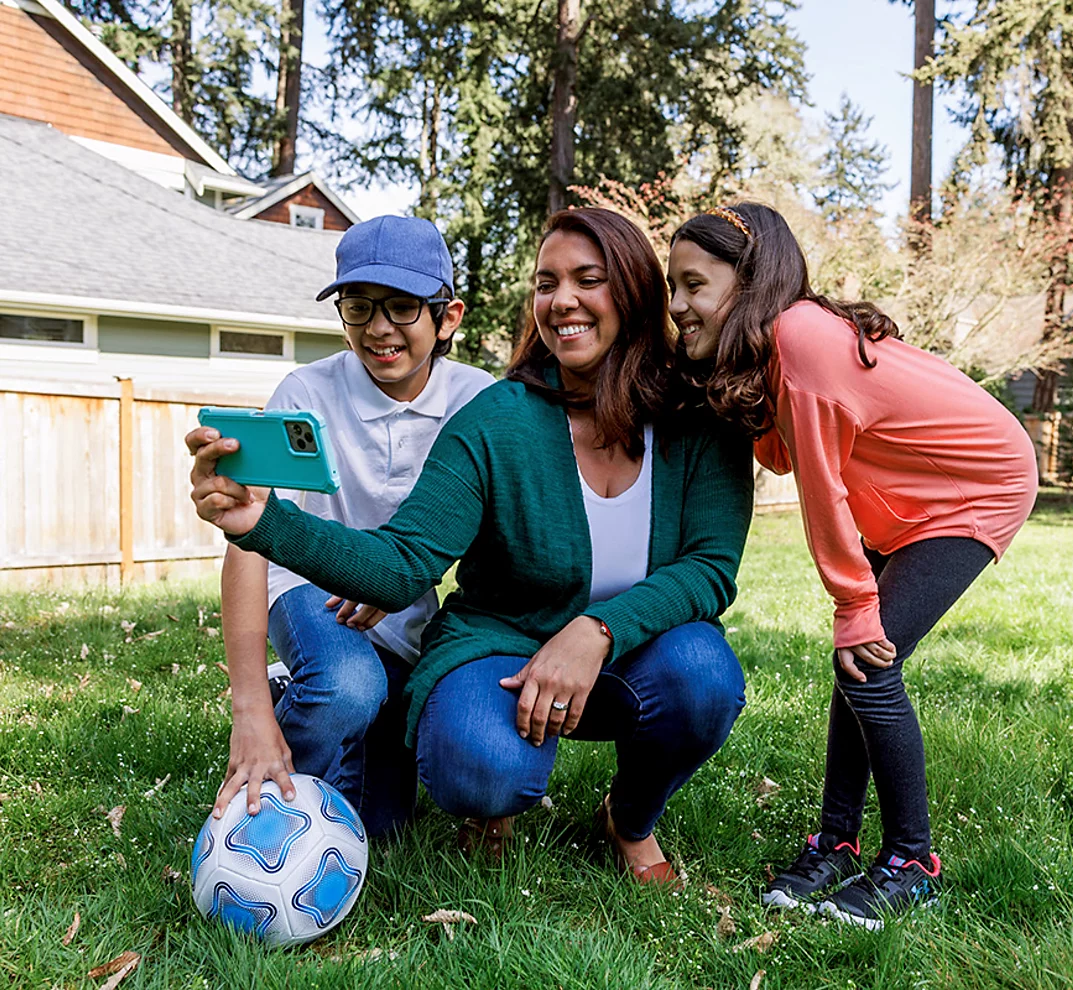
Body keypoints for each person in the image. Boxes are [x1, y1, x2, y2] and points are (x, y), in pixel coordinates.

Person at [188, 207, 753, 883]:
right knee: (468, 765)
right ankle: (472, 798)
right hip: (499, 648)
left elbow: (710, 569)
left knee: (704, 674)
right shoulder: (497, 417)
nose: (562, 299)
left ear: (633, 292)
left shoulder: (699, 416)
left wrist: (597, 629)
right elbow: (404, 562)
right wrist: (262, 521)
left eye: (587, 279)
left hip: (630, 655)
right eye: (546, 283)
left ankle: (629, 822)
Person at [667, 203, 1038, 926]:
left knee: (868, 660)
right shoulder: (772, 348)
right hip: (906, 498)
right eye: (671, 288)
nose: (678, 305)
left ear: (748, 281)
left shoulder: (801, 337)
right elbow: (783, 449)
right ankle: (836, 841)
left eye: (693, 284)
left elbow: (821, 487)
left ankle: (913, 860)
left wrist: (854, 604)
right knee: (855, 666)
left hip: (973, 487)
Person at [209, 215, 494, 838]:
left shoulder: (479, 400)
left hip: (403, 610)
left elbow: (491, 540)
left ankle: (308, 706)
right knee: (348, 683)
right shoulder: (304, 392)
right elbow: (249, 541)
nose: (379, 329)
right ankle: (269, 807)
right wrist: (249, 706)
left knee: (383, 827)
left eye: (402, 307)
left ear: (448, 316)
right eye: (358, 307)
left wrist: (387, 575)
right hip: (307, 591)